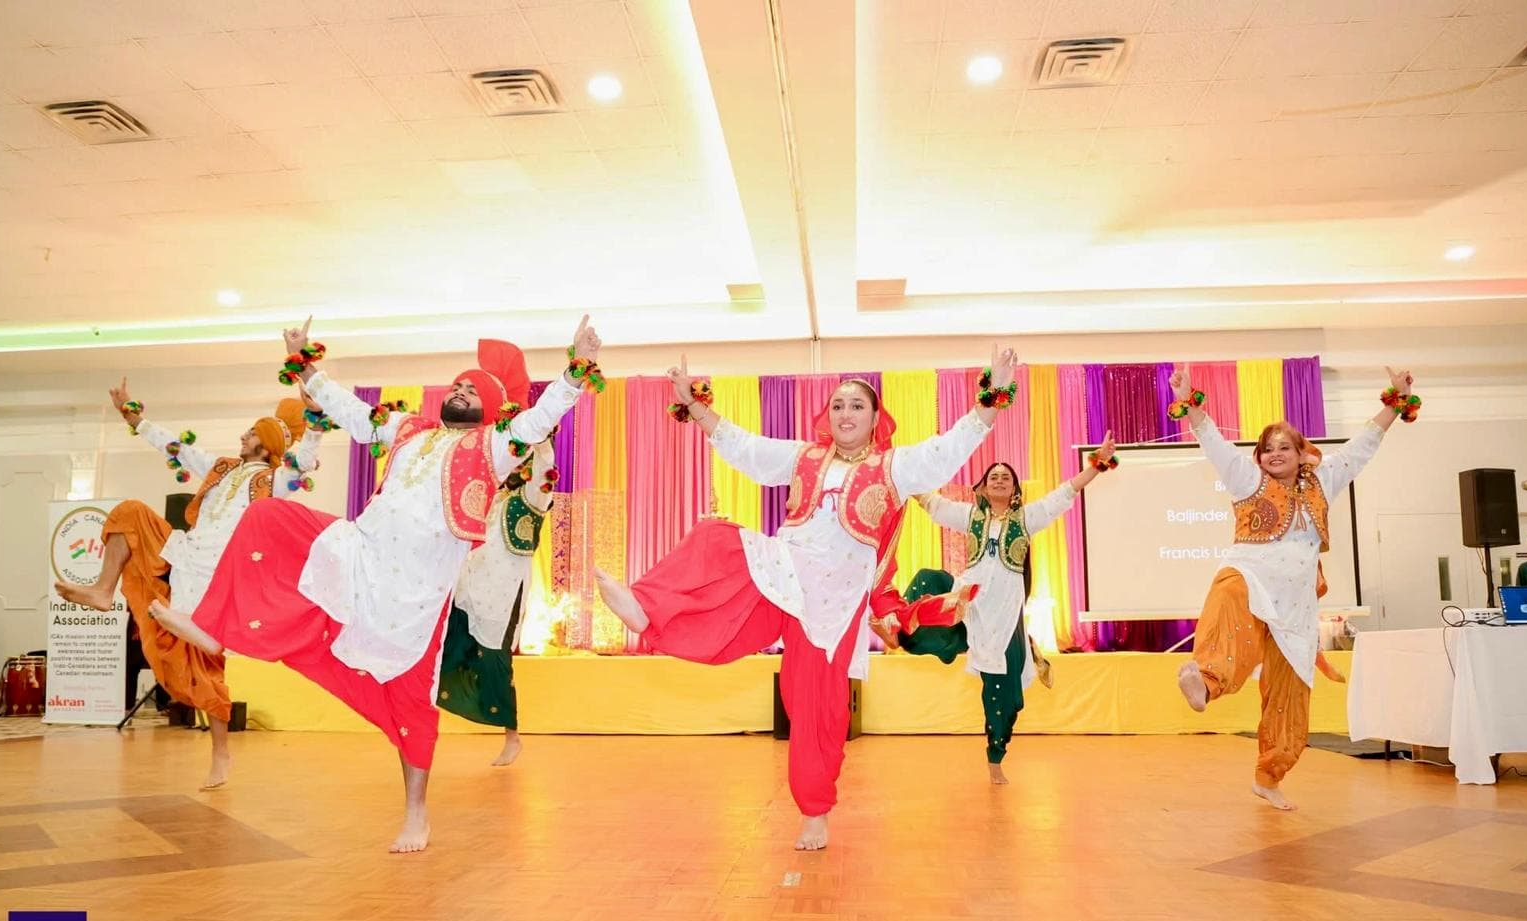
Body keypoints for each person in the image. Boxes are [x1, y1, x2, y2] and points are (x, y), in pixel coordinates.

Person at [152, 315, 602, 852]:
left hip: (415, 593)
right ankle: (214, 627)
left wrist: (578, 366)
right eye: (456, 385)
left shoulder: (497, 445)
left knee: (411, 702)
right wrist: (308, 367)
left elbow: (543, 415)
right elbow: (353, 412)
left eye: (471, 388)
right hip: (359, 552)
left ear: (487, 407)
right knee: (267, 517)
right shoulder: (409, 429)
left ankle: (416, 814)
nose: (459, 390)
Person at [596, 345, 1019, 850]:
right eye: (838, 404)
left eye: (857, 405)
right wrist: (695, 404)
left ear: (875, 418)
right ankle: (647, 610)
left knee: (816, 705)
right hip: (785, 575)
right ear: (827, 415)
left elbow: (947, 449)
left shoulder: (895, 466)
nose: (845, 412)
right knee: (715, 538)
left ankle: (815, 812)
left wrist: (993, 396)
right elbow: (745, 447)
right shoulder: (804, 457)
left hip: (834, 603)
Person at [1172, 364, 1417, 811]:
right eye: (1267, 449)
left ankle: (1269, 777)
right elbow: (1215, 444)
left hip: (1296, 605)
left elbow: (1363, 445)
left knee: (1290, 692)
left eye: (1284, 447)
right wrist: (1191, 405)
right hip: (1251, 577)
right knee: (1228, 593)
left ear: (1303, 453)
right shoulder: (1248, 480)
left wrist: (1394, 401)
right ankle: (1204, 684)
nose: (1275, 454)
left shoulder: (1324, 481)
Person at [55, 386, 321, 788]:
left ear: (266, 445)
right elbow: (177, 449)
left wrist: (314, 419)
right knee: (130, 511)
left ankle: (220, 753)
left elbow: (305, 461)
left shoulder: (276, 479)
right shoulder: (221, 468)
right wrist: (136, 420)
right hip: (184, 554)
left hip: (219, 575)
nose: (243, 436)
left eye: (251, 433)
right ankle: (102, 590)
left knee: (206, 666)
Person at [908, 438, 1116, 783]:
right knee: (928, 580)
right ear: (983, 487)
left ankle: (995, 759)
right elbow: (933, 503)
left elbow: (1066, 492)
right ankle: (900, 626)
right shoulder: (970, 516)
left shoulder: (1027, 517)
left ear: (1015, 489)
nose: (1000, 480)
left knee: (1003, 696)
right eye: (994, 476)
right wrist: (904, 477)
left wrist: (1097, 462)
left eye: (1006, 477)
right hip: (969, 605)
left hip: (1004, 618)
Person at [436, 436, 557, 766]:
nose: (511, 468)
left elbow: (545, 469)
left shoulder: (533, 499)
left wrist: (541, 440)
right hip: (470, 588)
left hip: (502, 594)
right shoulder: (492, 499)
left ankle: (512, 737)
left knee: (494, 662)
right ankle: (420, 708)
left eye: (518, 462)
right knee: (447, 647)